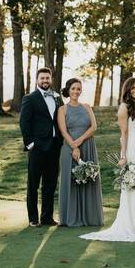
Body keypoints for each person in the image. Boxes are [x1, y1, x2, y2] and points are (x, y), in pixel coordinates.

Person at [81, 77, 135, 242]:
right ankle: (131, 225)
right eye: (133, 88)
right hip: (132, 148)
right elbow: (124, 133)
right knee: (132, 184)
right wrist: (123, 156)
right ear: (127, 89)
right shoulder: (123, 108)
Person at [19, 66, 63, 227]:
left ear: (51, 79)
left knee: (50, 184)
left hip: (54, 146)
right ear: (37, 80)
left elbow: (60, 120)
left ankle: (47, 217)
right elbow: (24, 123)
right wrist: (30, 144)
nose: (45, 81)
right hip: (37, 147)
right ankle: (33, 218)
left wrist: (61, 140)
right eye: (42, 78)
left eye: (47, 78)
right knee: (33, 184)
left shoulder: (57, 98)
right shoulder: (29, 98)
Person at [57, 78, 103, 228]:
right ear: (68, 90)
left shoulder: (87, 107)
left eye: (78, 89)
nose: (76, 91)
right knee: (71, 182)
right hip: (69, 148)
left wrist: (79, 141)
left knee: (89, 180)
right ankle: (70, 218)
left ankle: (90, 218)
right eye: (73, 89)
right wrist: (74, 146)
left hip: (87, 146)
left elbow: (94, 127)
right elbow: (63, 131)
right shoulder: (62, 110)